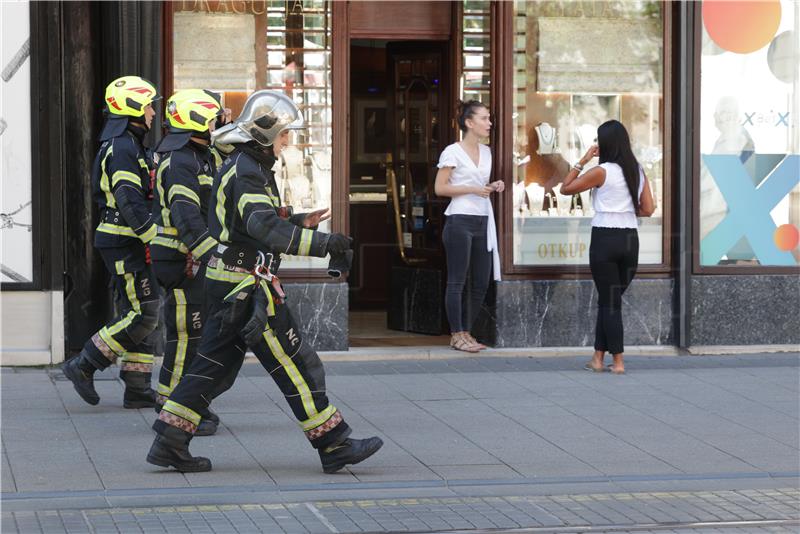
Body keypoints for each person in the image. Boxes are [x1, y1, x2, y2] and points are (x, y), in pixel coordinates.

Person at [146, 90, 383, 473]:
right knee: (295, 361)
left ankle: (169, 441)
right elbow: (263, 227)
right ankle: (333, 442)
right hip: (245, 289)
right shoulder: (246, 171)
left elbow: (253, 225)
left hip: (231, 285)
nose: (288, 141)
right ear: (265, 134)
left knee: (213, 368)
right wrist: (326, 245)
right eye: (285, 134)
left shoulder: (246, 166)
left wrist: (298, 221)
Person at [62, 75, 162, 407]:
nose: (152, 112)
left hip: (127, 240)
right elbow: (129, 200)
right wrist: (154, 239)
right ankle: (84, 364)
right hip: (125, 241)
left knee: (136, 311)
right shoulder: (122, 147)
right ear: (133, 107)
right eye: (148, 105)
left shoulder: (129, 143)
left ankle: (136, 387)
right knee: (144, 314)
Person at [150, 89, 230, 436]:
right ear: (196, 120)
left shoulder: (197, 153)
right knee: (186, 336)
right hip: (183, 261)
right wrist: (211, 256)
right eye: (211, 117)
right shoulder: (181, 159)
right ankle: (173, 408)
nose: (215, 122)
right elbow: (187, 218)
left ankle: (182, 403)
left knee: (191, 334)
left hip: (188, 259)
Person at [560, 120, 656, 374]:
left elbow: (566, 188)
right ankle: (598, 358)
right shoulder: (637, 170)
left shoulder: (602, 171)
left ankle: (619, 361)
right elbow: (648, 208)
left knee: (610, 303)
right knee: (609, 301)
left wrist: (582, 160)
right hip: (629, 240)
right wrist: (625, 209)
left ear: (604, 144)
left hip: (604, 239)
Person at [434, 100, 503, 353]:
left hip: (483, 221)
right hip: (460, 220)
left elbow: (480, 182)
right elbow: (440, 188)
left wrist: (495, 184)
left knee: (481, 282)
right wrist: (473, 189)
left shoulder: (487, 152)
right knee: (457, 281)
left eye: (489, 118)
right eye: (484, 119)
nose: (489, 123)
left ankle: (468, 331)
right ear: (469, 123)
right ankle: (457, 333)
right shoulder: (452, 151)